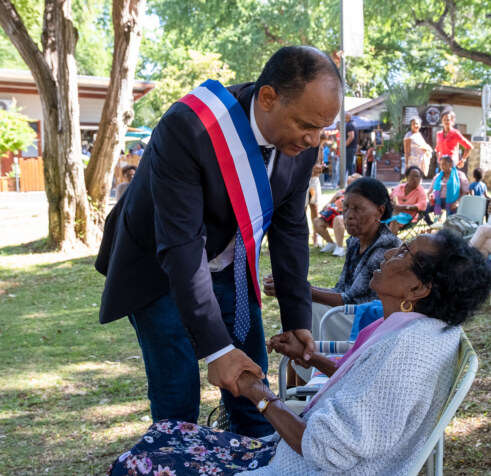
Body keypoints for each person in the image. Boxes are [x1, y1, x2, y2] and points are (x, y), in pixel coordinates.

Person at [92, 230, 491, 476]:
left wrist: (259, 394)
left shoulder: (408, 351)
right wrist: (312, 358)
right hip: (287, 461)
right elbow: (370, 394)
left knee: (135, 467)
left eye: (404, 252)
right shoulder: (414, 332)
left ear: (418, 288)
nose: (389, 252)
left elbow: (326, 450)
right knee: (164, 433)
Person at [94, 46, 343, 438]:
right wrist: (217, 350)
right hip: (160, 268)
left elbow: (290, 229)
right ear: (268, 98)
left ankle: (251, 469)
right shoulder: (191, 127)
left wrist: (297, 318)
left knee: (253, 386)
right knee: (178, 397)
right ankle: (178, 466)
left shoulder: (302, 144)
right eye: (306, 125)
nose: (314, 140)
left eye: (323, 129)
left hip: (231, 267)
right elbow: (181, 245)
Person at [267, 177, 401, 340]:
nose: (349, 215)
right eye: (346, 207)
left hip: (375, 323)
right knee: (302, 306)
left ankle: (300, 354)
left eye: (357, 209)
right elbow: (341, 290)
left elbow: (352, 301)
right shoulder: (355, 242)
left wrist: (296, 289)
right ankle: (297, 354)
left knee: (311, 310)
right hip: (354, 314)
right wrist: (294, 286)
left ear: (379, 211)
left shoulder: (385, 247)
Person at [425, 155, 469, 223]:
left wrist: (457, 202)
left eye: (445, 164)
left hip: (454, 201)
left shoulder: (459, 175)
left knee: (457, 210)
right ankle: (432, 224)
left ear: (451, 164)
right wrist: (430, 198)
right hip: (438, 202)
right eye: (441, 164)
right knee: (423, 209)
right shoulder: (437, 177)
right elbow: (429, 192)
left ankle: (451, 226)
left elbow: (465, 192)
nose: (442, 166)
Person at [386, 166, 428, 235]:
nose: (415, 178)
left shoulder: (420, 191)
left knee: (395, 218)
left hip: (409, 217)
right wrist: (392, 204)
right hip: (394, 212)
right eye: (412, 176)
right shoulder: (399, 187)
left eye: (417, 176)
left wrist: (404, 207)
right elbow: (390, 198)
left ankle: (391, 240)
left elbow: (422, 205)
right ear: (407, 177)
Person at [313, 187, 348, 257]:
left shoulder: (358, 193)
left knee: (338, 219)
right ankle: (331, 244)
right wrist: (328, 206)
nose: (350, 178)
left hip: (349, 217)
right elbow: (329, 203)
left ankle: (340, 247)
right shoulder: (342, 192)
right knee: (317, 221)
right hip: (334, 215)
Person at [308, 139, 325, 246]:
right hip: (302, 180)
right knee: (301, 209)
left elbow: (320, 162)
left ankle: (315, 237)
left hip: (313, 180)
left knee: (314, 207)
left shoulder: (320, 146)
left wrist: (321, 167)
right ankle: (304, 236)